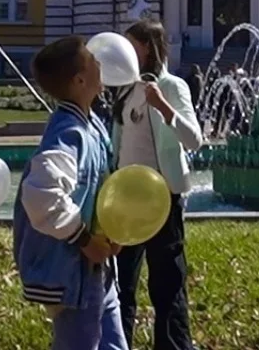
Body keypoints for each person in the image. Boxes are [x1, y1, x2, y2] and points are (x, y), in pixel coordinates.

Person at [15, 35, 124, 350]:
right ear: (79, 80)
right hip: (72, 274)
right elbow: (41, 195)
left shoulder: (92, 126)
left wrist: (112, 231)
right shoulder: (68, 133)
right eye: (92, 60)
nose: (100, 63)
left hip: (98, 271)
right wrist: (85, 241)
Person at [113, 20, 204, 350]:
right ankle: (117, 342)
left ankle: (173, 345)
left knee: (167, 282)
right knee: (121, 280)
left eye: (131, 45)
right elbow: (118, 143)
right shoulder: (125, 89)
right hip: (124, 199)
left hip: (162, 197)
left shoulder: (173, 86)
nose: (124, 52)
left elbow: (194, 140)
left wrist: (164, 107)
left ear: (147, 47)